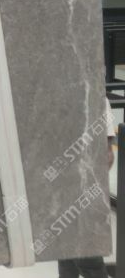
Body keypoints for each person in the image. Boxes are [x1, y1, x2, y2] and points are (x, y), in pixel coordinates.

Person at [57, 99, 116, 278]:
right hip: (59, 183)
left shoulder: (97, 97)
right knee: (65, 249)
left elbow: (107, 153)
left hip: (83, 183)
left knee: (86, 253)